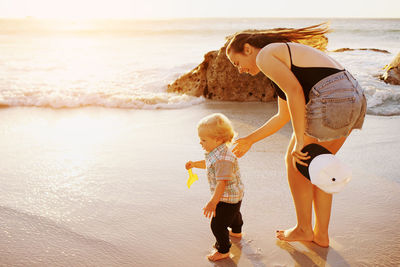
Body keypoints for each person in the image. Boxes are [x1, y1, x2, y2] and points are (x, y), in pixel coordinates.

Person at [225, 23, 366, 247]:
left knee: (295, 159)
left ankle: (303, 228)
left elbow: (295, 92)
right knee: (319, 166)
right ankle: (320, 234)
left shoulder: (266, 55)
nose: (238, 69)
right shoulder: (282, 59)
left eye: (237, 62)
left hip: (334, 96)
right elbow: (283, 116)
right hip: (354, 96)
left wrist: (300, 141)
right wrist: (250, 139)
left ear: (248, 49)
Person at [185, 113, 244, 261]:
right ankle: (237, 231)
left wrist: (213, 202)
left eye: (203, 140)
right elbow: (208, 164)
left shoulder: (223, 159)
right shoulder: (216, 152)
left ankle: (223, 249)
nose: (200, 143)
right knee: (234, 214)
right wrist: (194, 164)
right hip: (235, 195)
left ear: (218, 139)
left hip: (225, 197)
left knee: (217, 225)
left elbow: (221, 182)